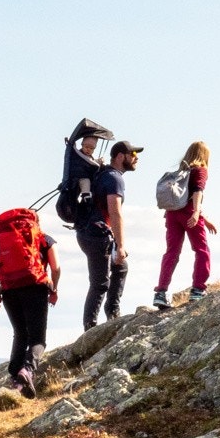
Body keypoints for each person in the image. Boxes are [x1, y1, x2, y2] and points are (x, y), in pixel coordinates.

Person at [0, 214, 60, 398]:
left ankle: (16, 378)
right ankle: (27, 371)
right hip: (35, 289)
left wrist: (8, 281)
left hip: (9, 292)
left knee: (20, 333)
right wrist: (54, 288)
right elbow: (56, 268)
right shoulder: (45, 239)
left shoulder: (11, 240)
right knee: (38, 339)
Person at [78, 139, 141, 330]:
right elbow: (115, 212)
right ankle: (90, 329)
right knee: (100, 283)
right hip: (97, 235)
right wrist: (120, 245)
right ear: (121, 156)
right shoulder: (114, 178)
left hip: (89, 232)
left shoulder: (104, 173)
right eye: (134, 155)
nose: (136, 159)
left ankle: (112, 312)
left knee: (121, 268)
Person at [153, 141, 217, 309]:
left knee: (171, 252)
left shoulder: (182, 172)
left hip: (172, 214)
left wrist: (205, 218)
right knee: (201, 250)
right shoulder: (201, 170)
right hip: (189, 213)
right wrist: (196, 213)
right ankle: (198, 290)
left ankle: (161, 293)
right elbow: (197, 192)